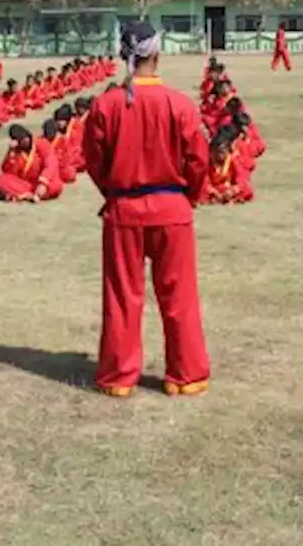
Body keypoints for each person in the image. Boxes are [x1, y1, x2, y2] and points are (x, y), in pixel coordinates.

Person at [83, 21, 210, 397]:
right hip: (172, 209)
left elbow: (93, 160)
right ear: (157, 53)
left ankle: (119, 378)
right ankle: (185, 375)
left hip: (124, 211)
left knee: (123, 296)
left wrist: (114, 192)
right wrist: (190, 197)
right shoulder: (180, 104)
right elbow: (198, 161)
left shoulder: (105, 105)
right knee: (179, 295)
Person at [0, 124, 62, 202]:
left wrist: (43, 182)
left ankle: (21, 195)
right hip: (26, 184)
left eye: (26, 137)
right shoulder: (16, 152)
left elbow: (50, 162)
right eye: (22, 139)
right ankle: (28, 195)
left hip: (42, 181)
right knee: (0, 178)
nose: (26, 141)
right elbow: (7, 171)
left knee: (57, 185)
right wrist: (10, 153)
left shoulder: (41, 143)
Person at [198, 128, 253, 205]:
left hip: (228, 190)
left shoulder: (231, 161)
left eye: (223, 151)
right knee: (200, 191)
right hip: (213, 191)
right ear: (212, 151)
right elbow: (204, 181)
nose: (220, 155)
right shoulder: (207, 162)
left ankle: (230, 200)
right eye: (218, 151)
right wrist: (213, 192)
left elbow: (241, 179)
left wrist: (233, 190)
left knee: (247, 190)